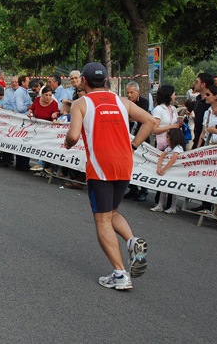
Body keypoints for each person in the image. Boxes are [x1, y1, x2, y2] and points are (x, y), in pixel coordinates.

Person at [64, 62, 155, 290]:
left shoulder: (80, 103)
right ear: (106, 80)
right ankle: (132, 242)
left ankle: (120, 274)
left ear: (83, 82)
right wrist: (133, 145)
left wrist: (66, 143)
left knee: (102, 219)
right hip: (124, 162)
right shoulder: (122, 101)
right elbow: (150, 121)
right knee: (111, 212)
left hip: (101, 165)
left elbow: (74, 135)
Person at [150, 128, 186, 214]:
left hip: (175, 171)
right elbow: (162, 156)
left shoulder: (178, 148)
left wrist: (164, 169)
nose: (166, 139)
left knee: (174, 190)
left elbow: (173, 159)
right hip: (168, 170)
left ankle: (173, 207)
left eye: (167, 137)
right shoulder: (169, 147)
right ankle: (160, 205)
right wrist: (159, 168)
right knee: (164, 187)